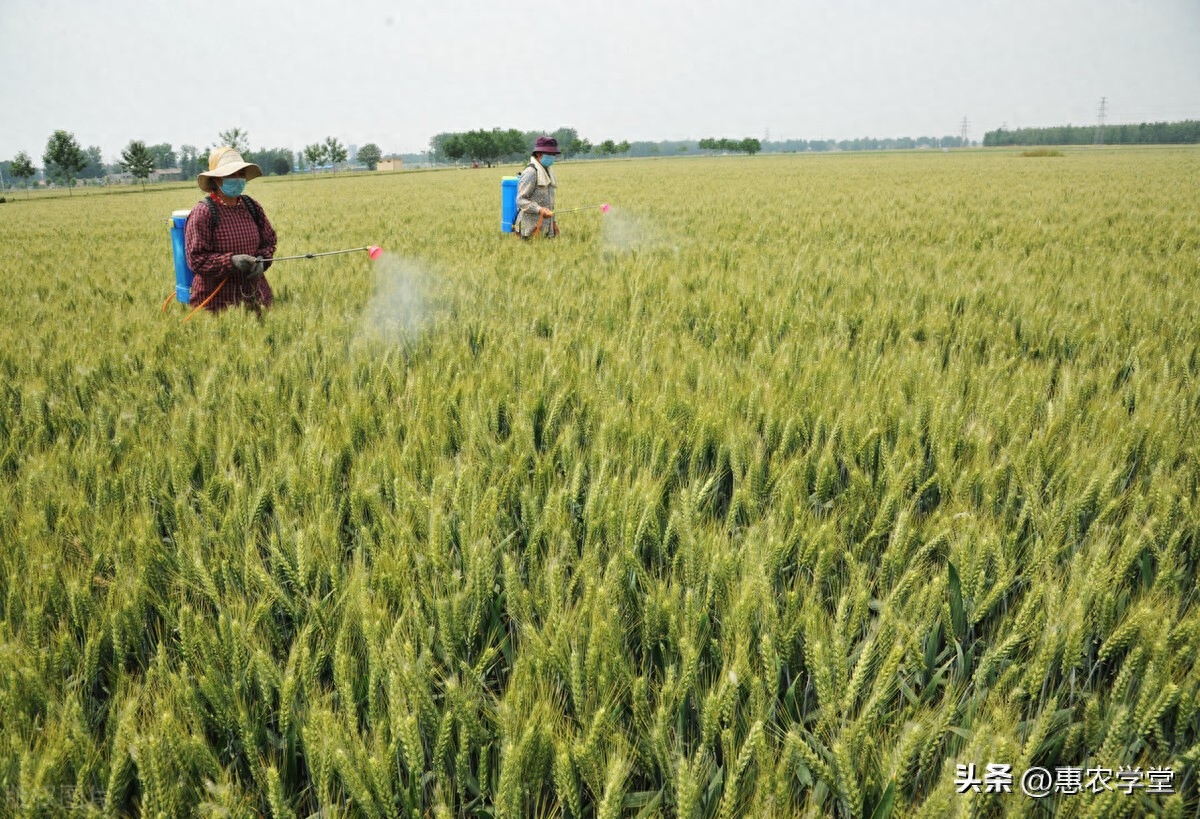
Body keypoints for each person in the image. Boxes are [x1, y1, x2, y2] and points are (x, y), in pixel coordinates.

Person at [185, 147, 277, 313]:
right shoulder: (204, 212)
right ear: (217, 179)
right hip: (217, 302)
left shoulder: (251, 206)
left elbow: (269, 240)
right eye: (231, 174)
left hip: (255, 298)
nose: (237, 178)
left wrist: (263, 259)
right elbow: (196, 259)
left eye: (241, 174)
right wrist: (231, 261)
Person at [515, 136, 560, 239]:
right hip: (530, 231)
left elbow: (549, 203)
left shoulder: (548, 172)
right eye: (549, 154)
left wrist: (553, 223)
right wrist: (539, 209)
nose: (552, 157)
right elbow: (520, 200)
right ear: (539, 154)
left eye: (554, 154)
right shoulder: (531, 172)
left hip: (546, 231)